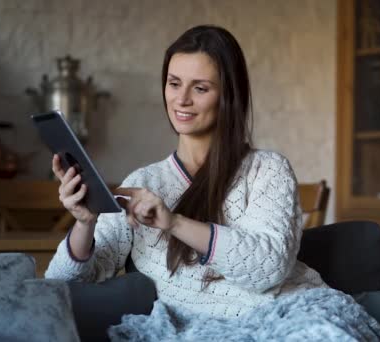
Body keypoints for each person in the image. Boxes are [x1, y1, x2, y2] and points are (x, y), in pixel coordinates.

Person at [45, 24, 326, 325]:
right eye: (174, 83)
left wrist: (174, 222)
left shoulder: (268, 169)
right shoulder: (142, 184)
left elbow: (268, 268)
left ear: (229, 95)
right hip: (206, 330)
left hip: (298, 314)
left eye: (200, 88)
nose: (181, 99)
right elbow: (60, 285)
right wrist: (85, 222)